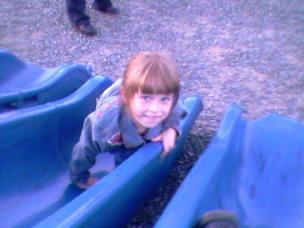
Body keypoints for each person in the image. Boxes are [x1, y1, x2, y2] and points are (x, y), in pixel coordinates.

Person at [69, 51, 186, 189]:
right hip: (114, 114)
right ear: (126, 96)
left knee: (133, 146)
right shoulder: (106, 124)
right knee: (125, 144)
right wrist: (79, 177)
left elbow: (176, 106)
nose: (155, 108)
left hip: (131, 104)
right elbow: (85, 148)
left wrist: (171, 128)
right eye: (146, 98)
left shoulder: (168, 103)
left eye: (164, 99)